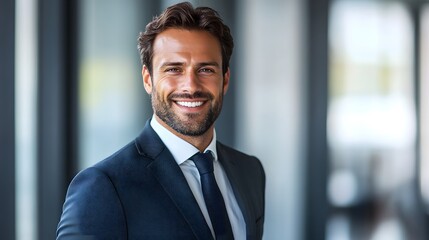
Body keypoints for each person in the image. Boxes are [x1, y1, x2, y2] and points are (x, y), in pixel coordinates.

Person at [56, 2, 265, 239]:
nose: (191, 86)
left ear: (225, 80)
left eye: (206, 70)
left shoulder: (250, 172)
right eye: (174, 69)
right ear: (148, 79)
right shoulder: (103, 186)